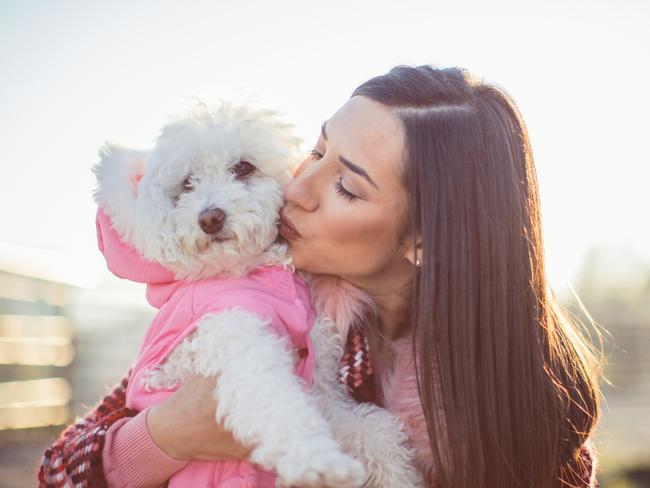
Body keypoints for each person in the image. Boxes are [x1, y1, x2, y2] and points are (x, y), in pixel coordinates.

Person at [39, 65, 600, 488]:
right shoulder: (259, 293)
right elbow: (59, 469)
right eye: (317, 149)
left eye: (346, 187)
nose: (298, 187)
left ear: (426, 239)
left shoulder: (533, 397)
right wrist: (166, 435)